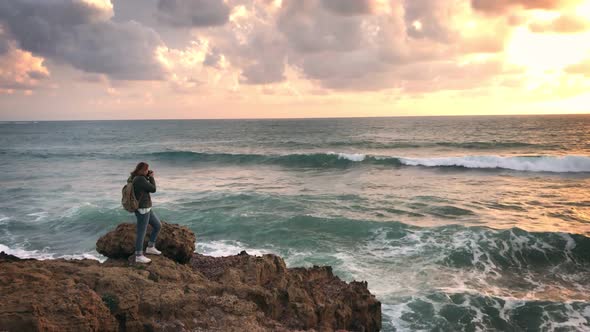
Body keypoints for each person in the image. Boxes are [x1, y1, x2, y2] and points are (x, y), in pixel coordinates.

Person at [127, 162, 162, 264]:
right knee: (141, 233)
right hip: (142, 209)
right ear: (143, 170)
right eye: (147, 170)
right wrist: (151, 177)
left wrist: (147, 176)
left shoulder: (136, 177)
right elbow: (153, 189)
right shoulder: (140, 179)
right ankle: (138, 255)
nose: (148, 171)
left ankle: (150, 247)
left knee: (157, 225)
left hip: (147, 208)